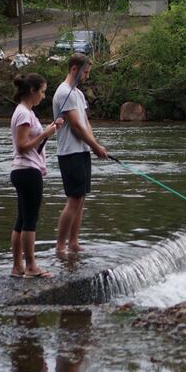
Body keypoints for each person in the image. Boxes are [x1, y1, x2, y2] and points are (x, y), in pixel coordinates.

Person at [9, 73, 64, 279]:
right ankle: (31, 267)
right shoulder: (24, 114)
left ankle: (17, 267)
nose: (43, 96)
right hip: (28, 171)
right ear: (32, 91)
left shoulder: (24, 112)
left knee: (21, 220)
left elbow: (31, 144)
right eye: (42, 92)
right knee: (29, 220)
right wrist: (45, 134)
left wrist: (50, 129)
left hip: (22, 170)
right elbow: (22, 147)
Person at [54, 53, 108, 255]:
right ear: (74, 69)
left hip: (82, 150)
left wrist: (94, 144)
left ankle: (73, 242)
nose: (87, 76)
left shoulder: (78, 94)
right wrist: (95, 146)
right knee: (74, 200)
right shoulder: (63, 92)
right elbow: (76, 126)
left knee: (81, 199)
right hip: (70, 153)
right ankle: (60, 246)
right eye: (85, 72)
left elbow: (86, 123)